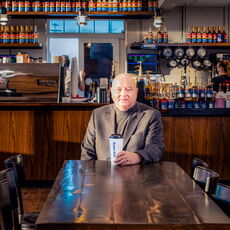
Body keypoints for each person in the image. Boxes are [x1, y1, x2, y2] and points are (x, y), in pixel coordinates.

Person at [81, 73, 164, 165]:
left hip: (136, 175)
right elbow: (87, 151)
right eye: (118, 89)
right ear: (111, 91)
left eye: (128, 89)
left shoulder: (151, 115)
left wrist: (138, 156)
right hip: (103, 175)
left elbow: (156, 149)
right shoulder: (98, 114)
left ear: (136, 91)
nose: (123, 94)